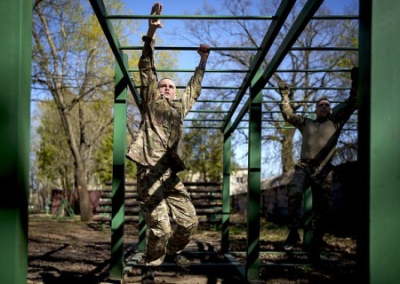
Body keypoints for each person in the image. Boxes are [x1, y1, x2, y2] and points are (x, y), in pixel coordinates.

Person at [125, 2, 210, 282]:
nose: (168, 88)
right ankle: (150, 267)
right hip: (149, 171)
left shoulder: (179, 108)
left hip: (170, 174)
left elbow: (194, 90)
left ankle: (172, 252)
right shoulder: (151, 101)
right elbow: (146, 67)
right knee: (160, 227)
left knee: (189, 223)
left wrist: (202, 61)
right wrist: (151, 30)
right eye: (164, 85)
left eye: (172, 87)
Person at [278, 67, 358, 262]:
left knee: (322, 209)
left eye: (327, 105)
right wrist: (285, 95)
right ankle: (293, 232)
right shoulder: (306, 123)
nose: (324, 107)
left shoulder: (336, 122)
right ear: (315, 109)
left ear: (330, 109)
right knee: (295, 191)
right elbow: (288, 114)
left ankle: (315, 246)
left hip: (324, 169)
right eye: (321, 105)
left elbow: (352, 103)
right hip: (304, 166)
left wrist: (355, 81)